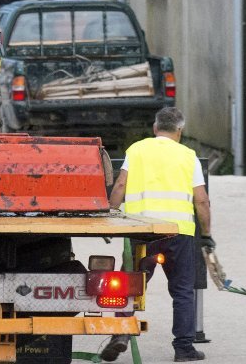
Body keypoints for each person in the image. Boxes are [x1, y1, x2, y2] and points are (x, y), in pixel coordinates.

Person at [101, 107, 212, 363]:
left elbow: (120, 185)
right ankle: (184, 349)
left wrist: (108, 216)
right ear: (180, 131)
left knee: (129, 286)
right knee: (183, 290)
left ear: (155, 128)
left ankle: (120, 333)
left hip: (142, 231)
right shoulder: (188, 156)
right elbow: (202, 201)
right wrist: (206, 234)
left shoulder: (136, 150)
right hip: (178, 233)